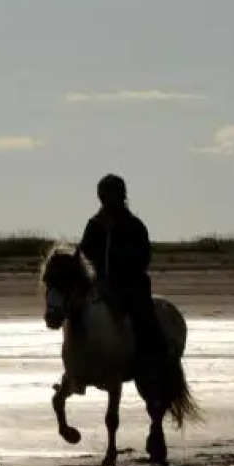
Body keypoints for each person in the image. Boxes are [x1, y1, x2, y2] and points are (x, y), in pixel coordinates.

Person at [77, 173, 170, 407]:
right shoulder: (94, 225)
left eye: (113, 196)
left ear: (121, 197)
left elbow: (143, 257)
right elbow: (84, 253)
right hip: (101, 284)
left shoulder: (133, 225)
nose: (108, 201)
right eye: (105, 196)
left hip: (130, 286)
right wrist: (94, 278)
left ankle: (152, 363)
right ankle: (76, 368)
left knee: (144, 320)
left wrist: (122, 273)